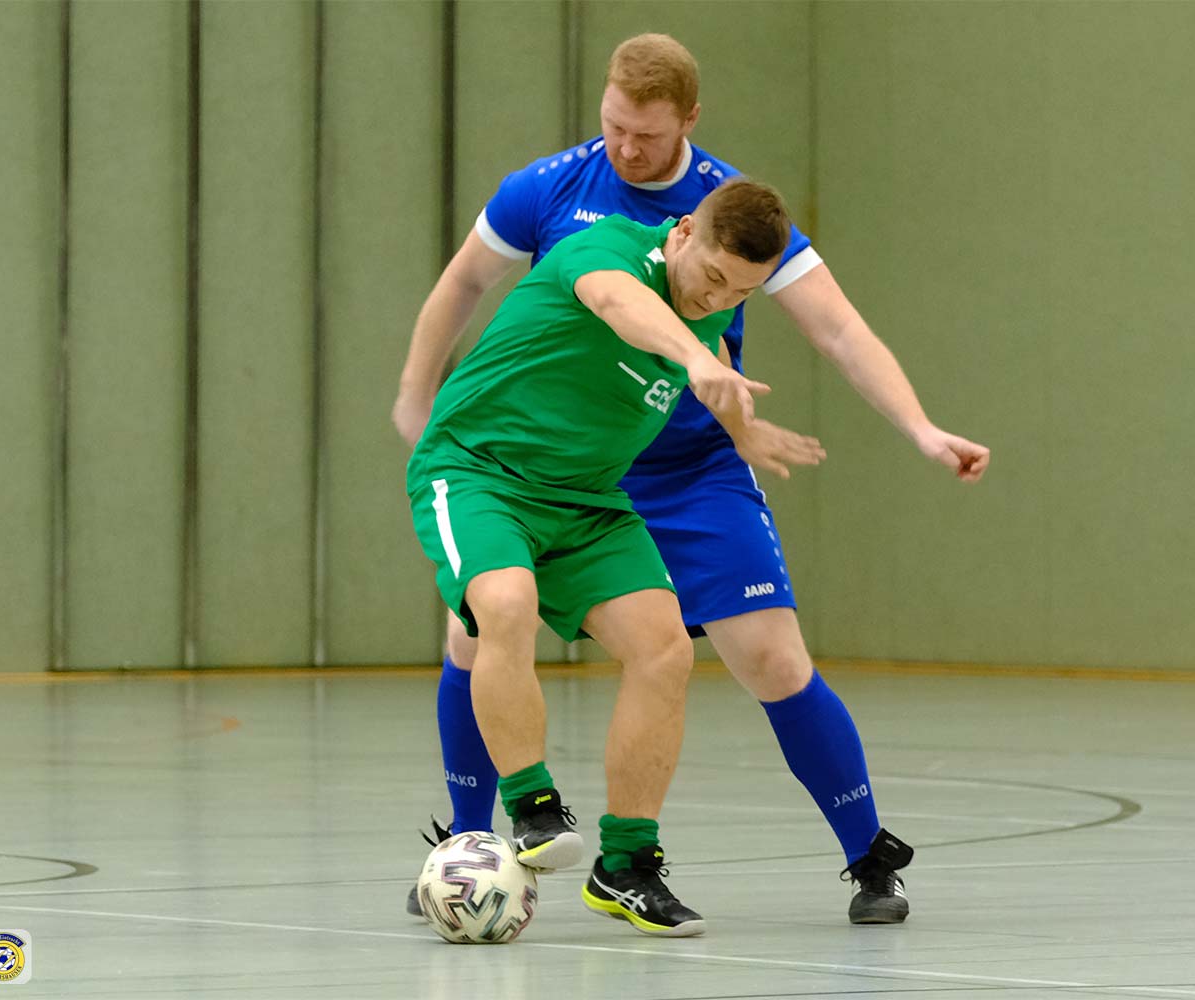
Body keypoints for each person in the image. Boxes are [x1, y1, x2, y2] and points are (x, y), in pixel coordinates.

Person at [396, 34, 990, 926]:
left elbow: (834, 330)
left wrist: (890, 427)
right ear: (681, 236)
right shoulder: (574, 211)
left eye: (647, 134)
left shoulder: (735, 221)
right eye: (614, 126)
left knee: (728, 654)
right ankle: (482, 839)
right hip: (508, 466)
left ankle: (803, 856)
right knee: (487, 618)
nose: (626, 147)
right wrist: (415, 393)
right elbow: (600, 299)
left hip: (654, 476)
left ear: (690, 121)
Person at [407, 178, 807, 938]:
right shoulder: (606, 250)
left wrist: (744, 430)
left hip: (585, 499)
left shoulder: (711, 318)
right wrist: (694, 355)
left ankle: (625, 865)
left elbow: (717, 362)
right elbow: (620, 303)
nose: (718, 297)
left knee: (665, 649)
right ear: (683, 232)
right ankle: (531, 806)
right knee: (506, 604)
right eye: (713, 276)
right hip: (478, 471)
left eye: (742, 291)